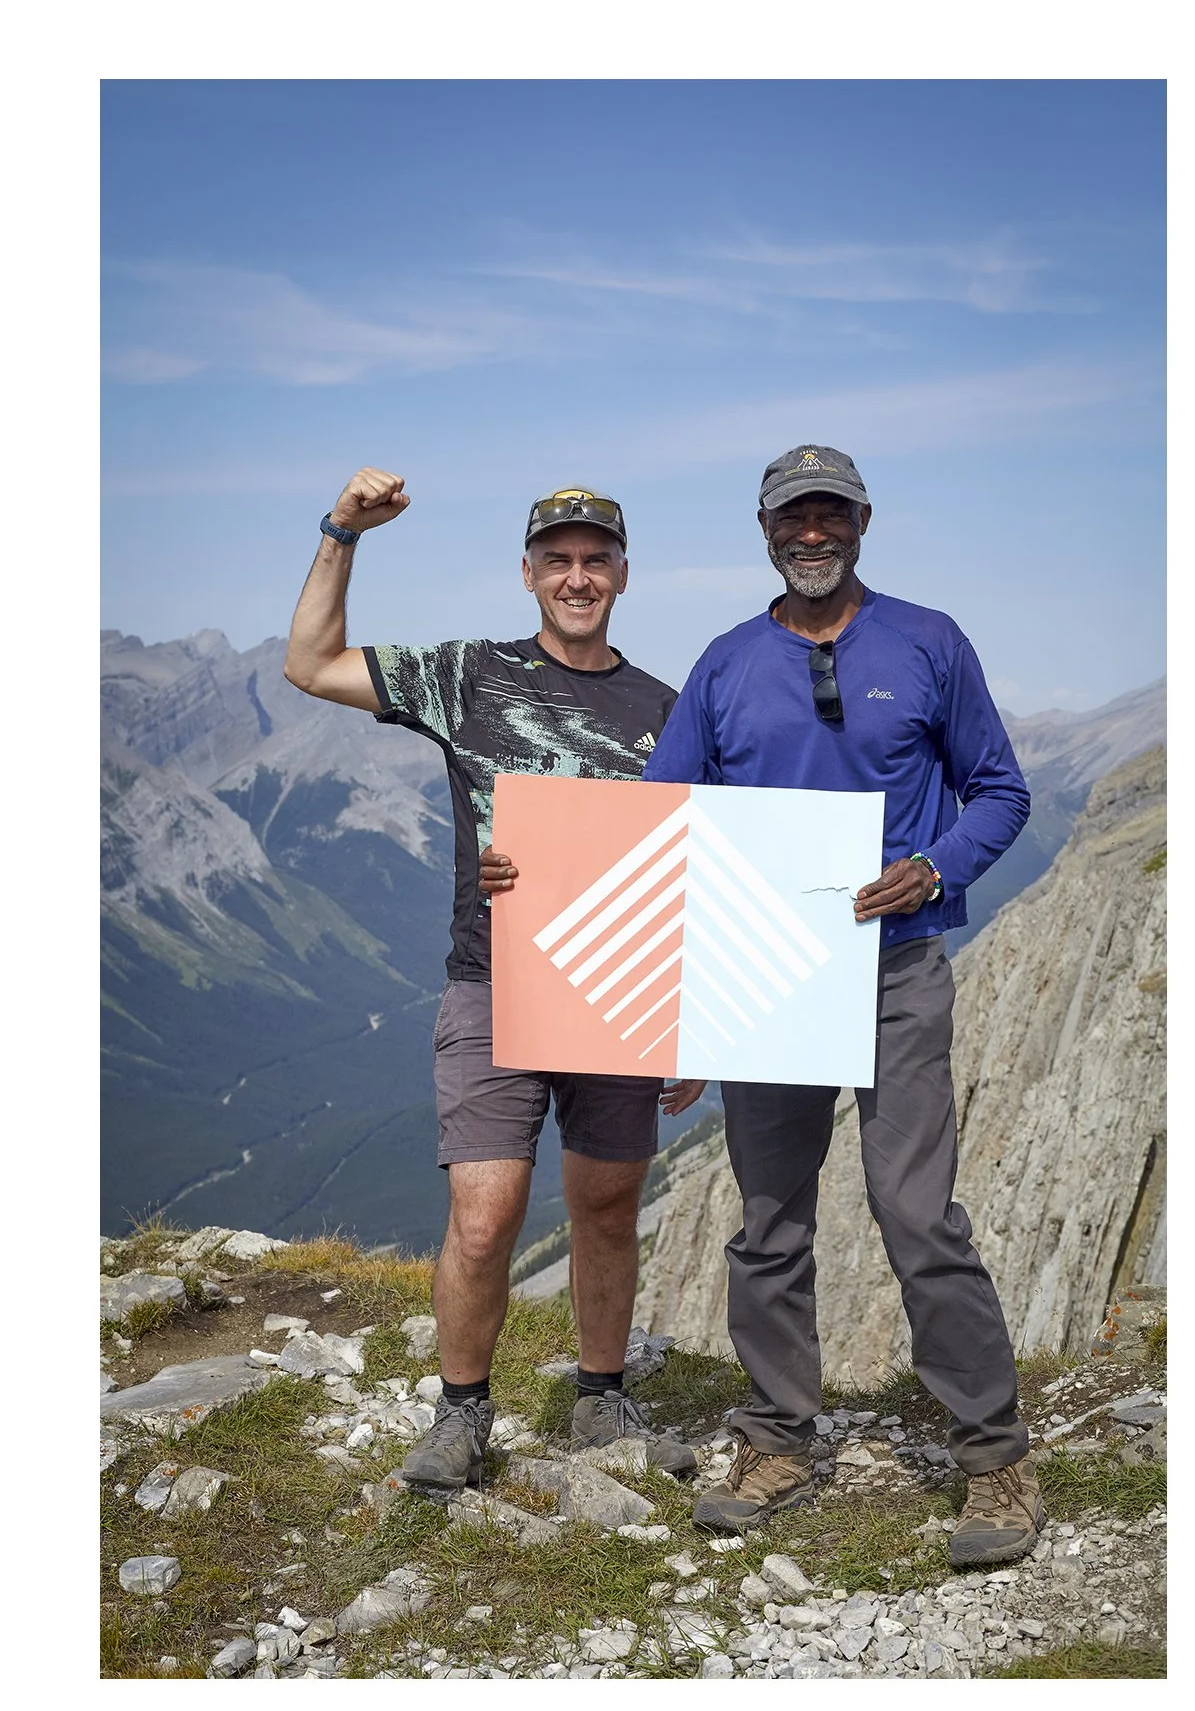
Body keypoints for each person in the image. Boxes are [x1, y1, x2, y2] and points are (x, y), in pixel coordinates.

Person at [482, 444, 1044, 1567]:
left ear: (862, 522)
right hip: (765, 973)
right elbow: (656, 831)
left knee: (916, 1214)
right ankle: (779, 1436)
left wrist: (932, 869)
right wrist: (531, 878)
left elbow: (1001, 791)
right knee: (770, 1220)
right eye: (795, 519)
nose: (814, 534)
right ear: (766, 531)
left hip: (897, 967)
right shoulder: (728, 666)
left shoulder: (929, 641)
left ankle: (994, 1457)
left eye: (831, 515)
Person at [284, 468, 704, 1496]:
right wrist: (343, 530)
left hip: (618, 991)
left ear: (621, 575)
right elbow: (309, 663)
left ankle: (601, 1396)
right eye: (556, 561)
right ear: (528, 574)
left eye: (594, 560)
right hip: (491, 981)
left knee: (607, 1202)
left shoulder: (668, 711)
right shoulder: (468, 673)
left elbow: (697, 865)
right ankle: (462, 1411)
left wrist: (694, 1024)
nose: (576, 576)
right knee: (484, 1213)